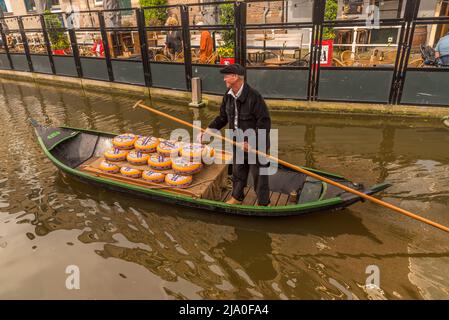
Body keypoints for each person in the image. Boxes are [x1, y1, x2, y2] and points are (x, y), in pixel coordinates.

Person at [198, 64, 271, 206]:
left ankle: (263, 203)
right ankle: (237, 197)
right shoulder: (228, 96)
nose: (224, 79)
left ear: (235, 77)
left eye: (226, 76)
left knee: (259, 175)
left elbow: (264, 123)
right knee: (238, 171)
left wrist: (250, 142)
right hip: (237, 142)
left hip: (256, 143)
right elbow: (222, 117)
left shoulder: (254, 97)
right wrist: (209, 130)